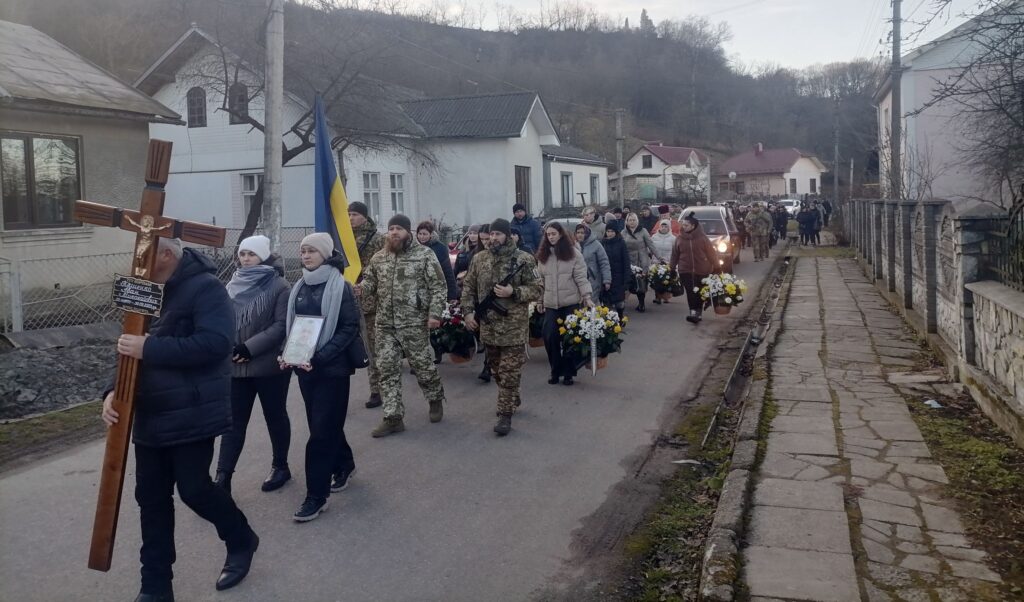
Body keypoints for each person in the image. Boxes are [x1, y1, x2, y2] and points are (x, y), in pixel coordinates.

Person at [102, 238, 258, 599]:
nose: (136, 263)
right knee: (151, 499)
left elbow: (216, 344)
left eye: (144, 255)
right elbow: (128, 347)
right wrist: (112, 391)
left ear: (168, 255)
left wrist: (150, 347)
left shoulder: (207, 289)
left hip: (192, 409)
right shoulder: (144, 291)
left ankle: (241, 539)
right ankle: (155, 587)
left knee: (194, 490)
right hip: (150, 414)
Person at [280, 233, 362, 522]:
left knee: (319, 433)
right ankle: (345, 463)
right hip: (305, 369)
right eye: (302, 251)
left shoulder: (342, 287)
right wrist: (286, 353)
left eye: (311, 251)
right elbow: (293, 328)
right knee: (324, 423)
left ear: (326, 254)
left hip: (332, 370)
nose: (305, 256)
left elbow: (349, 327)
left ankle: (316, 496)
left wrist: (320, 357)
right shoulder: (299, 286)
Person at [215, 235, 292, 496]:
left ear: (263, 256)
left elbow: (281, 326)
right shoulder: (231, 285)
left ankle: (280, 466)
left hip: (269, 366)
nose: (245, 259)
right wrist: (230, 348)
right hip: (236, 366)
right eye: (243, 254)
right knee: (234, 422)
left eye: (251, 254)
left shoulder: (279, 285)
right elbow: (222, 320)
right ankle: (222, 477)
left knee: (275, 416)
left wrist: (250, 348)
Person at [358, 214, 447, 437]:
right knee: (386, 370)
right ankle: (393, 417)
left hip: (414, 323)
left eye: (399, 228)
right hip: (385, 324)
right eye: (391, 229)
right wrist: (360, 288)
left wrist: (434, 314)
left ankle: (435, 398)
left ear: (409, 232)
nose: (394, 232)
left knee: (423, 367)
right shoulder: (380, 258)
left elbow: (438, 286)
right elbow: (370, 281)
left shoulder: (425, 255)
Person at [461, 219, 542, 435]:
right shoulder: (479, 259)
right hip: (488, 327)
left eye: (498, 234)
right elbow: (468, 287)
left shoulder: (524, 259)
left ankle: (505, 415)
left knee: (508, 372)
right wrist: (468, 312)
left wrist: (513, 293)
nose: (494, 238)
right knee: (497, 371)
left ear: (507, 235)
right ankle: (512, 396)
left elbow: (537, 289)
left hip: (514, 327)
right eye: (491, 234)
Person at [536, 222, 593, 386]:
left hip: (570, 302)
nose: (551, 237)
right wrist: (539, 300)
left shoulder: (574, 254)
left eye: (554, 233)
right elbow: (540, 281)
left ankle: (568, 372)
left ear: (561, 234)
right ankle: (555, 370)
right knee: (549, 336)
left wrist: (587, 296)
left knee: (570, 338)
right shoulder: (543, 255)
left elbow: (581, 277)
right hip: (551, 304)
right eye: (548, 234)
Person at [348, 201, 386, 409]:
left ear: (364, 216)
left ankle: (377, 390)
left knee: (373, 347)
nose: (351, 218)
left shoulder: (378, 239)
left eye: (355, 214)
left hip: (371, 300)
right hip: (348, 299)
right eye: (349, 214)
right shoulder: (344, 237)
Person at [672, 212, 718, 324]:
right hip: (685, 270)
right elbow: (675, 254)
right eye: (683, 224)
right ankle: (693, 312)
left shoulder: (703, 238)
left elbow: (711, 254)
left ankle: (698, 312)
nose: (684, 227)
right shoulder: (679, 238)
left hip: (702, 270)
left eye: (686, 225)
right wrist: (672, 268)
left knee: (700, 292)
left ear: (693, 226)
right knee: (691, 292)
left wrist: (716, 267)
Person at [622, 212, 665, 313]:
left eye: (633, 220)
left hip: (641, 260)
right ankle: (623, 302)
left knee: (641, 282)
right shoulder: (623, 232)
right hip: (629, 260)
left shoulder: (643, 231)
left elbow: (651, 245)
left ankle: (641, 304)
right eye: (630, 220)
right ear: (627, 221)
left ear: (637, 221)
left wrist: (660, 257)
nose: (632, 222)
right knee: (629, 282)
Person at [415, 221, 459, 302]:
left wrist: (452, 296)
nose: (422, 237)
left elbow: (448, 272)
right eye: (420, 234)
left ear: (431, 234)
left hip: (436, 290)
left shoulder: (440, 248)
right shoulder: (414, 248)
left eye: (425, 234)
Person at [575, 223, 611, 304]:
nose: (580, 235)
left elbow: (604, 262)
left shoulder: (596, 245)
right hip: (577, 280)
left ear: (587, 233)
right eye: (578, 232)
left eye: (582, 233)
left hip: (593, 279)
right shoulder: (573, 246)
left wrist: (607, 280)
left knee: (592, 303)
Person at [601, 220, 631, 314]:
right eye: (608, 231)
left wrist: (626, 279)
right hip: (606, 276)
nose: (609, 234)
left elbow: (626, 261)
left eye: (612, 231)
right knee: (606, 301)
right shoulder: (603, 243)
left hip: (619, 276)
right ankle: (609, 323)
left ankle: (620, 319)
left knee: (619, 302)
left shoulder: (621, 243)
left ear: (616, 232)